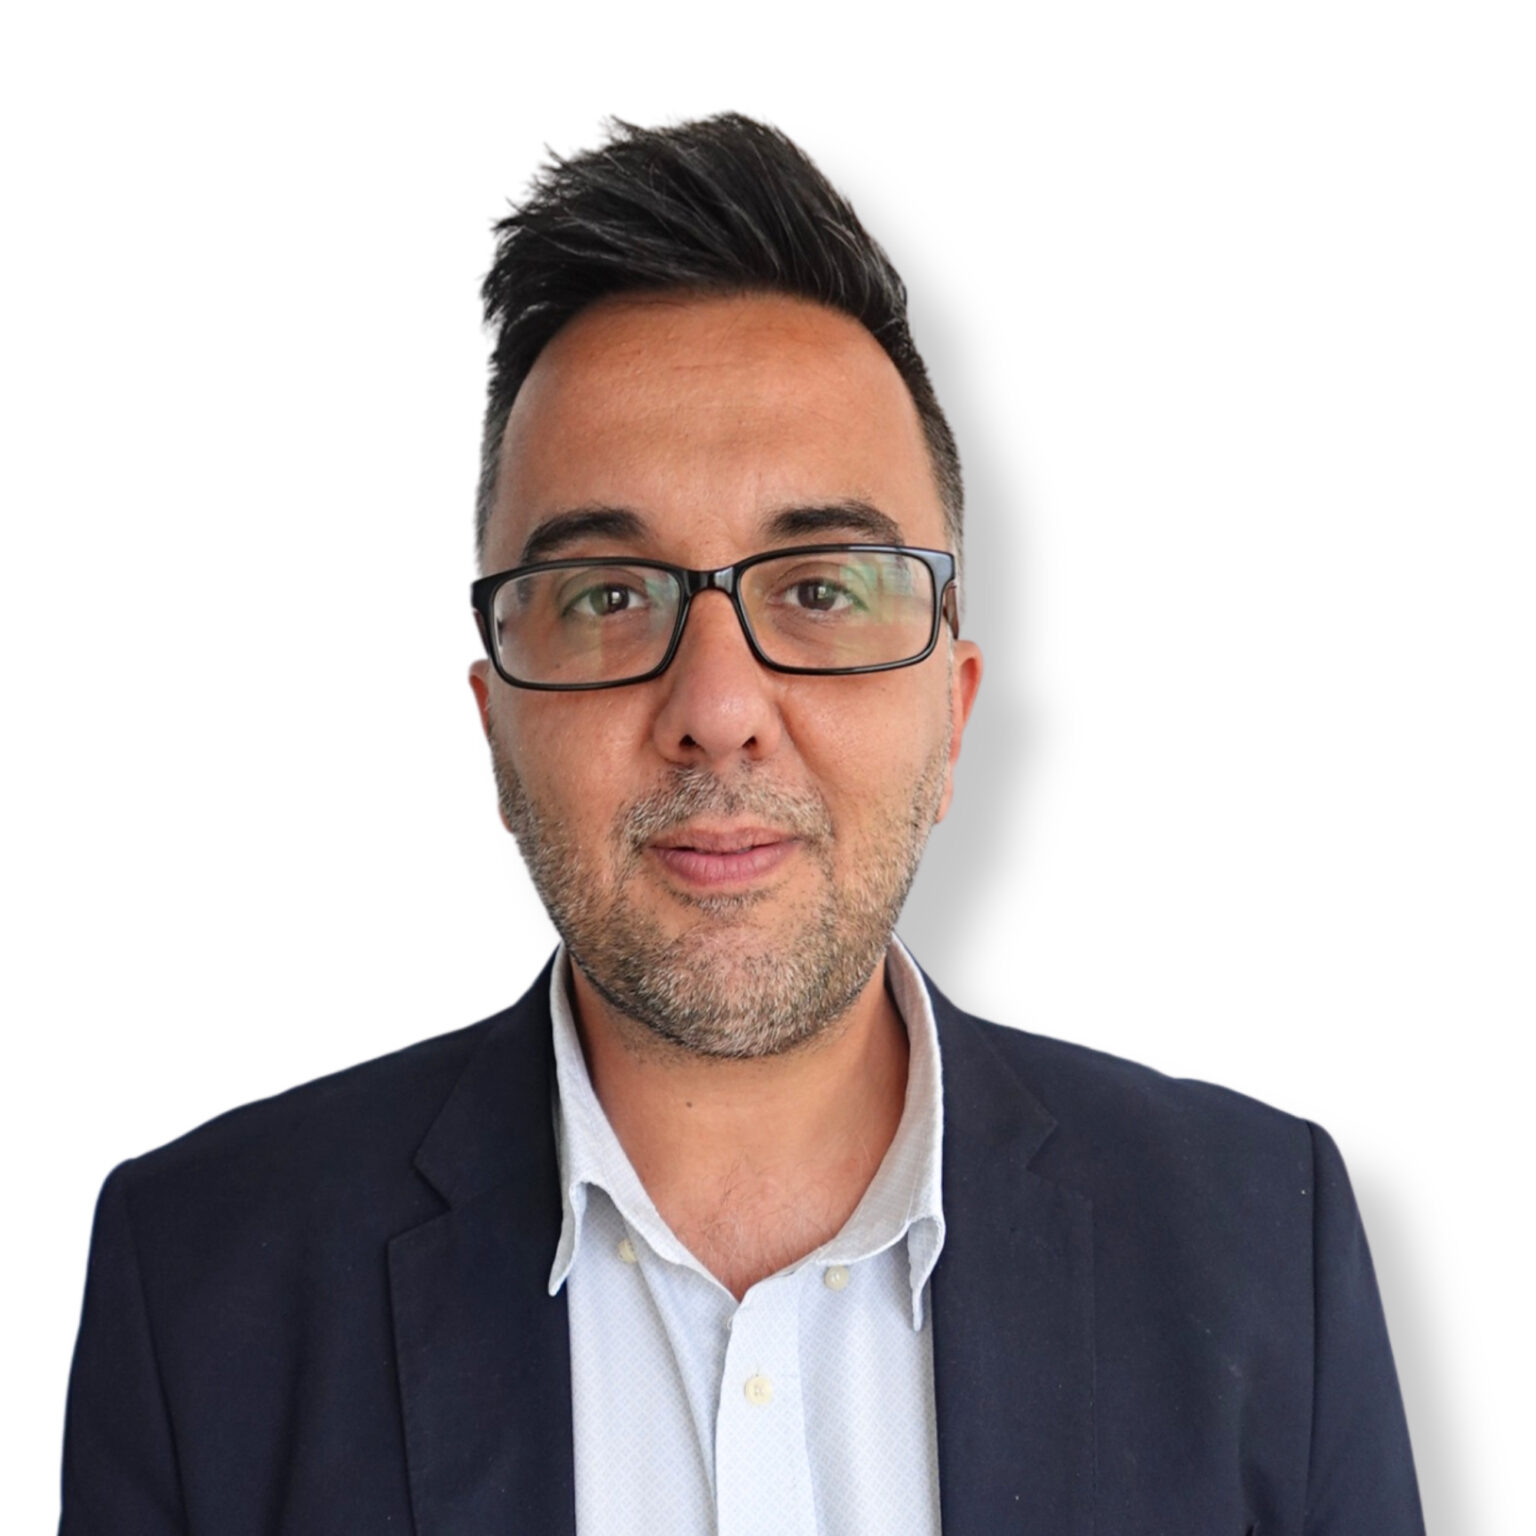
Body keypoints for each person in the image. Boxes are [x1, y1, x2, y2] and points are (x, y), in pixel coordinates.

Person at [59, 113, 1424, 1535]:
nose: (719, 706)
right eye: (605, 597)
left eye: (822, 591)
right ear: (495, 724)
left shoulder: (1269, 1253)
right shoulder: (203, 1286)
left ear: (953, 712)